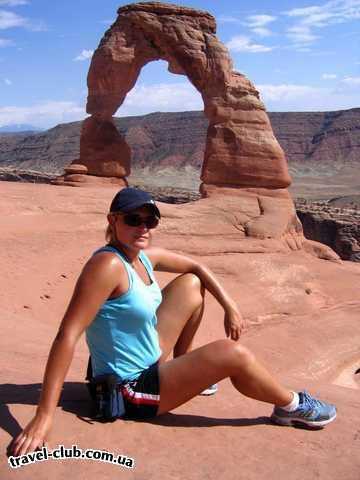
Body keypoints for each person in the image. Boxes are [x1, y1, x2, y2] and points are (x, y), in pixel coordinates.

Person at [10, 187, 336, 456]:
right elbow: (67, 335)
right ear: (113, 220)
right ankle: (290, 406)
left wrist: (229, 305)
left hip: (151, 363)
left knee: (191, 286)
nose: (144, 228)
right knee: (233, 354)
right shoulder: (107, 266)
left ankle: (187, 371)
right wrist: (43, 416)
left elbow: (196, 267)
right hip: (128, 391)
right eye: (133, 219)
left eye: (150, 220)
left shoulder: (142, 258)